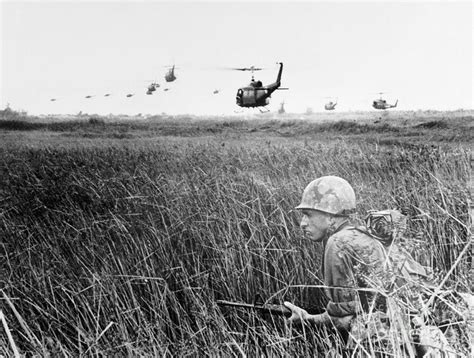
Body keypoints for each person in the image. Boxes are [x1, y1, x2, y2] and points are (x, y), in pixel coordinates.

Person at [283, 176, 440, 355]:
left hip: (388, 342)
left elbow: (344, 320)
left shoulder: (338, 243)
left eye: (308, 214)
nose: (303, 223)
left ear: (330, 215)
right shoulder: (369, 235)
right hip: (423, 333)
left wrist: (307, 319)